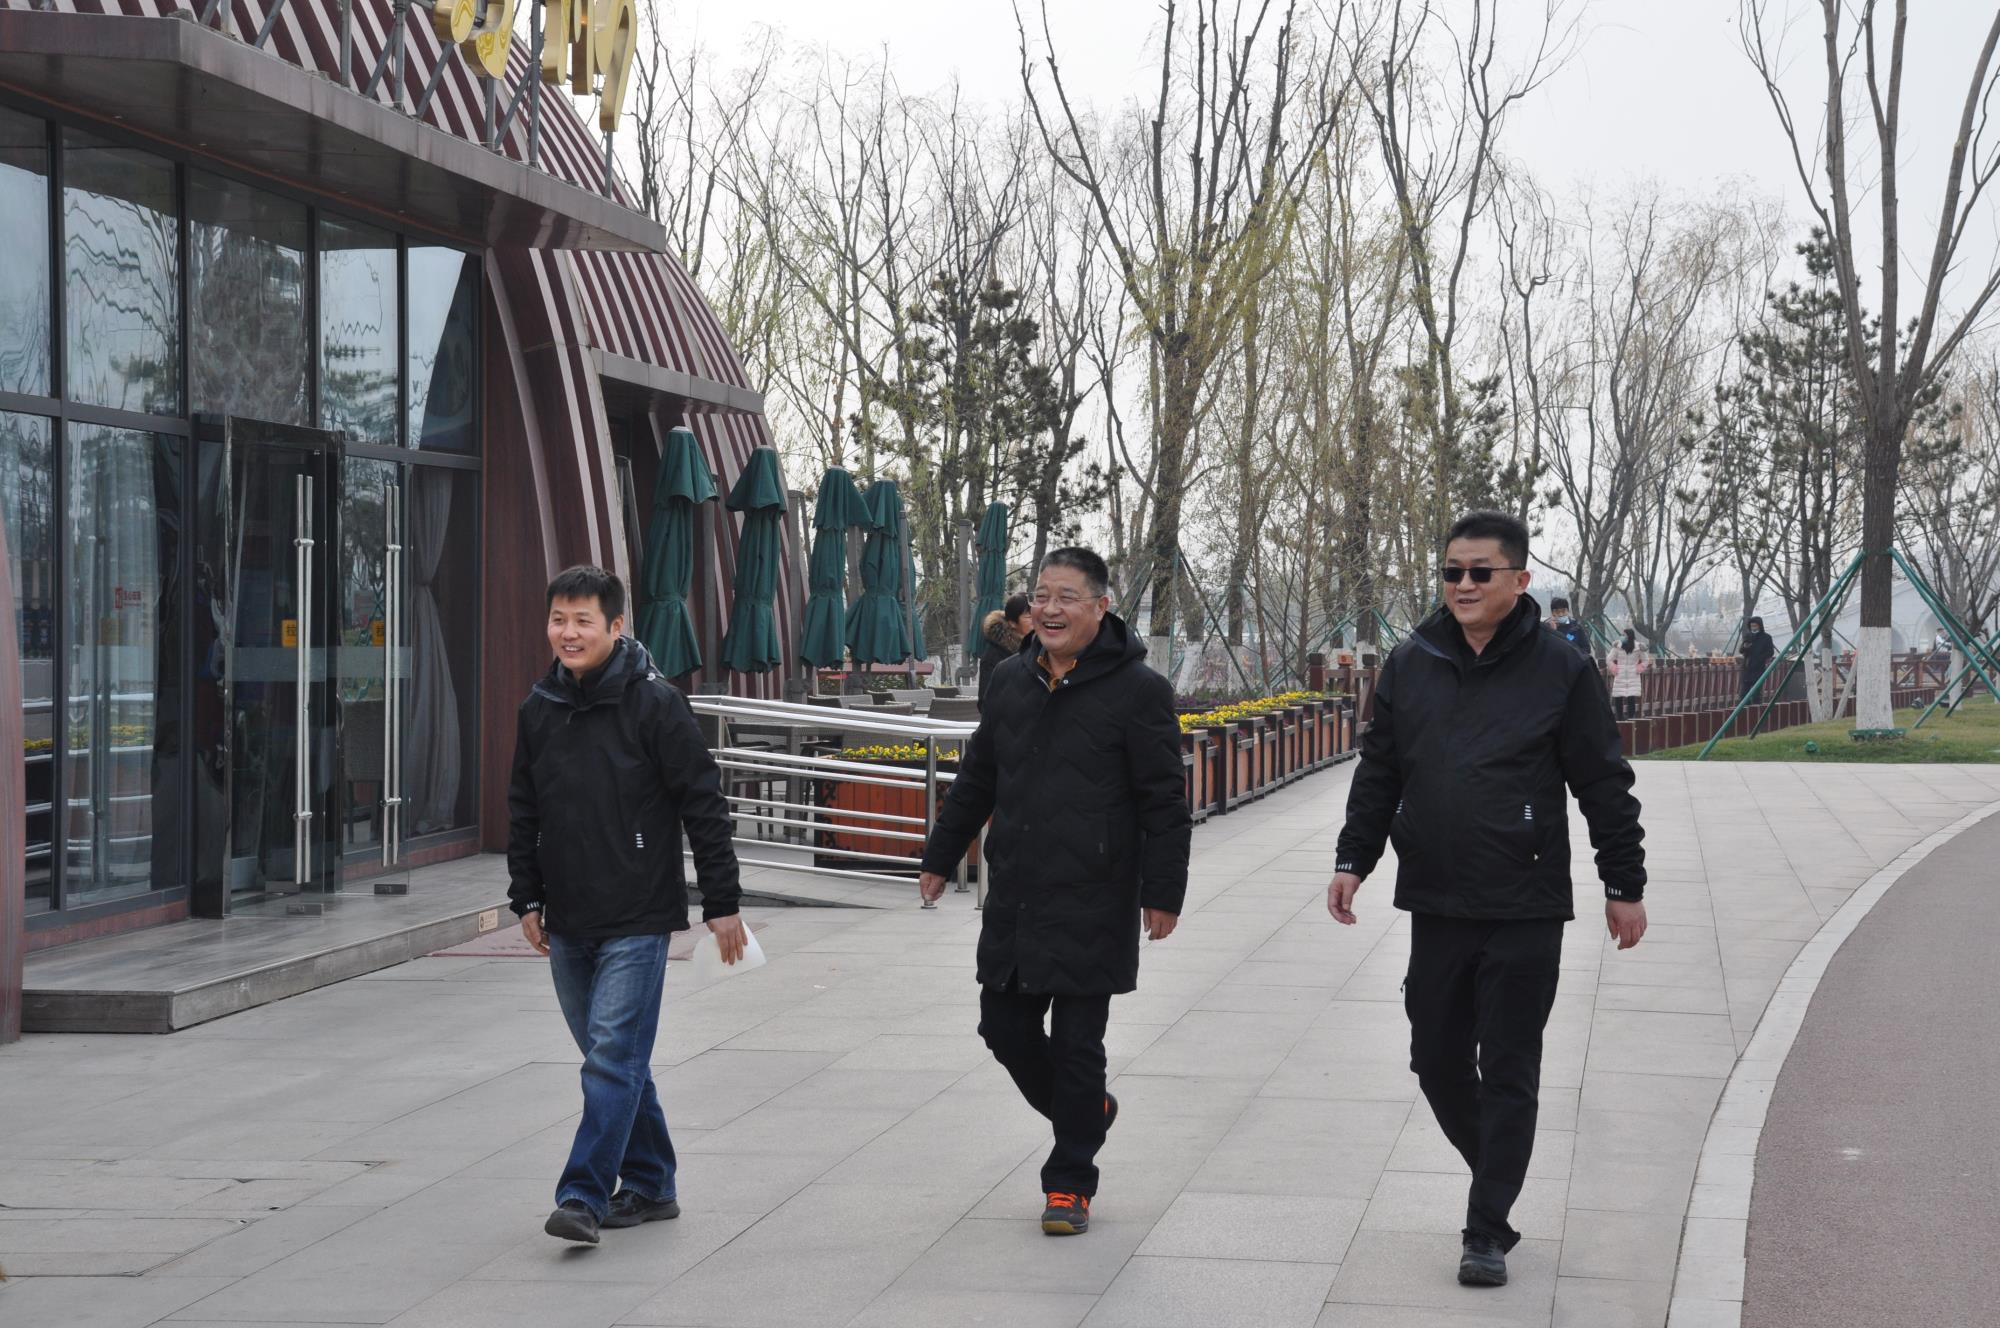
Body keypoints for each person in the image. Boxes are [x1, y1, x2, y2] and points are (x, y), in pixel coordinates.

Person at [1327, 511, 1647, 1288]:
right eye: (1452, 572)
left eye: (1480, 572)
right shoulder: (1412, 661)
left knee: (1509, 1065)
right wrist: (1354, 858)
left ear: (1520, 579)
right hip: (1436, 897)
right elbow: (1380, 770)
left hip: (1524, 901)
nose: (1463, 585)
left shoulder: (1560, 669)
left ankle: (1486, 1226)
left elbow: (1603, 781)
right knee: (1434, 1057)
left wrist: (1623, 882)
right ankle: (1499, 1170)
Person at [917, 547, 1192, 1237]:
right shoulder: (1011, 679)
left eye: (1066, 596)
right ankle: (1087, 1112)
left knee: (1077, 1045)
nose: (1049, 608)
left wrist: (1163, 892)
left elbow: (1164, 801)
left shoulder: (1139, 691)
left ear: (1101, 606)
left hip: (1094, 893)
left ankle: (1070, 1180)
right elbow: (979, 776)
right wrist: (941, 854)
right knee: (1003, 1027)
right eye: (1041, 595)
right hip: (1016, 890)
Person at [507, 565, 747, 1245]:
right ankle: (652, 1181)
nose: (568, 633)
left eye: (583, 621)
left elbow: (704, 803)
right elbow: (523, 809)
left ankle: (581, 1196)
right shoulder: (538, 709)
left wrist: (722, 900)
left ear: (616, 626)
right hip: (568, 915)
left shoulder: (657, 704)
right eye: (559, 619)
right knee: (615, 1057)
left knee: (611, 1058)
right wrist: (526, 894)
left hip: (639, 915)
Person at [978, 592, 1034, 705]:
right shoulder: (994, 656)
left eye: (1036, 615)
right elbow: (985, 701)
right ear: (1012, 623)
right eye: (1029, 617)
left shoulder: (1042, 648)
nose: (1035, 620)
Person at [1608, 628, 1647, 721]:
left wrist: (1639, 668)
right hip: (1620, 674)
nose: (1622, 637)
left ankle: (1631, 719)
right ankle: (1619, 717)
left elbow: (1645, 660)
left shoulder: (1638, 647)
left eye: (1624, 635)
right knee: (1618, 697)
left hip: (1633, 674)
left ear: (1630, 635)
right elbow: (1609, 659)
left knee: (1631, 697)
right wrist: (1614, 668)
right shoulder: (1617, 646)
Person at [1740, 616, 1775, 704]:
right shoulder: (1748, 636)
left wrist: (1760, 658)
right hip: (1747, 668)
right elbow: (1741, 650)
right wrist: (1745, 647)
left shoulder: (1766, 637)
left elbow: (1770, 652)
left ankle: (1756, 709)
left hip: (1759, 668)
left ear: (1760, 626)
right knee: (1743, 693)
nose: (1753, 628)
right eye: (1752, 626)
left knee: (1756, 693)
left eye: (1755, 626)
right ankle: (1744, 709)